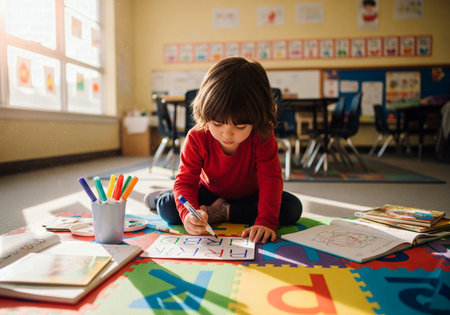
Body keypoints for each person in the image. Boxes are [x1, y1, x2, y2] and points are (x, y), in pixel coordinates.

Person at [145, 56, 302, 243]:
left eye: (240, 126)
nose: (227, 134)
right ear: (205, 112)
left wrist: (266, 222)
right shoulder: (197, 136)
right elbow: (186, 182)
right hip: (209, 191)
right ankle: (162, 197)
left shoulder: (263, 136)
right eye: (218, 123)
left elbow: (271, 181)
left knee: (292, 208)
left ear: (257, 118)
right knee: (168, 207)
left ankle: (218, 212)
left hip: (249, 196)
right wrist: (188, 214)